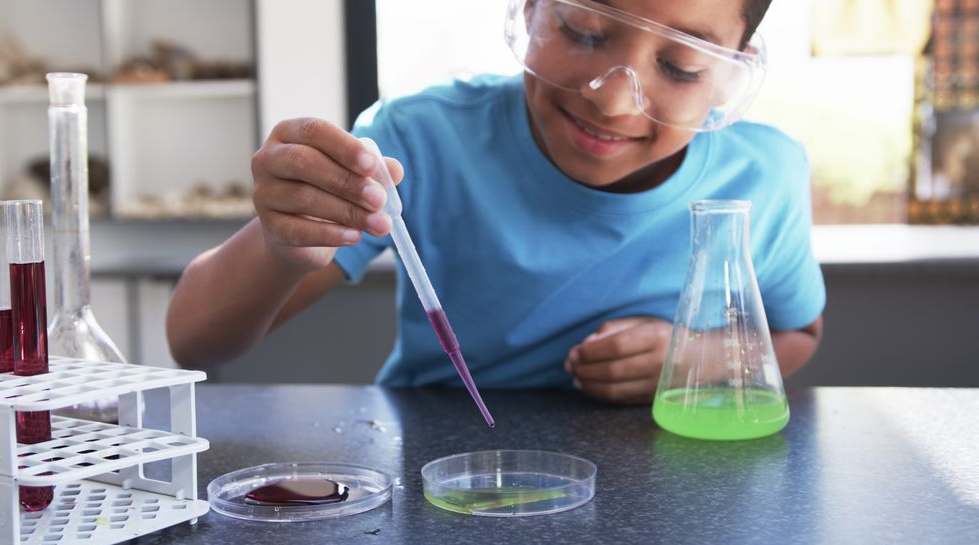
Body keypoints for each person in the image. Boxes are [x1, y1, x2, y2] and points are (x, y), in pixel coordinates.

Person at [167, 0, 825, 404]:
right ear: (533, 10)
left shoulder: (765, 174)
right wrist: (280, 243)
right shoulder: (419, 139)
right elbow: (196, 341)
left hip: (678, 487)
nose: (613, 99)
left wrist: (699, 358)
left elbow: (796, 334)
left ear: (733, 70)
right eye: (585, 30)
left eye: (680, 65)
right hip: (447, 473)